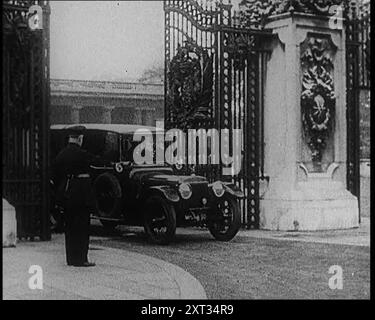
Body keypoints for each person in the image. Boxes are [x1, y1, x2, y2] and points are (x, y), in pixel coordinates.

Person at [53, 128, 99, 267]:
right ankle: (81, 258)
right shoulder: (81, 154)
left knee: (70, 227)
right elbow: (96, 162)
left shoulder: (62, 154)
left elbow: (55, 173)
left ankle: (71, 258)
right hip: (81, 194)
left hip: (67, 193)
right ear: (80, 138)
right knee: (82, 227)